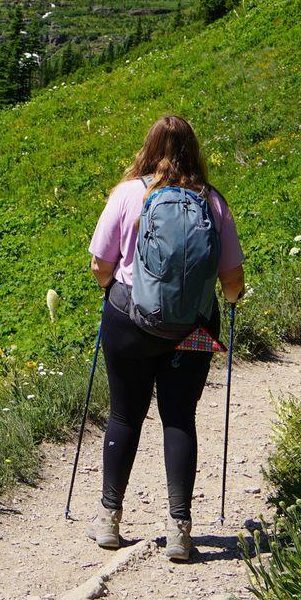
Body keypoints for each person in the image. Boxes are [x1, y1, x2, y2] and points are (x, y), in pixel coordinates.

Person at [87, 113, 245, 561]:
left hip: (129, 324)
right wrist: (226, 299)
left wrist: (117, 291)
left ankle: (109, 521)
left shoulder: (128, 194)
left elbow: (101, 265)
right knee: (179, 417)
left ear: (148, 148)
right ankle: (179, 530)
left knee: (124, 416)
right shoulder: (212, 201)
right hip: (193, 329)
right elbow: (232, 281)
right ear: (194, 151)